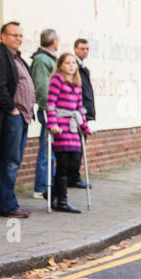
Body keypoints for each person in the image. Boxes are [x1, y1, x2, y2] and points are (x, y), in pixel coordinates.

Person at [0, 22, 35, 218]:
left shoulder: (17, 58)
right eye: (14, 35)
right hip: (11, 117)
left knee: (14, 161)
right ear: (3, 36)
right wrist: (12, 110)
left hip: (22, 117)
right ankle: (6, 207)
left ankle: (11, 203)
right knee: (9, 162)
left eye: (21, 36)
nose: (18, 39)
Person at [45, 53, 90, 213]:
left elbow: (80, 108)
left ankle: (52, 192)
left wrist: (84, 127)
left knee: (74, 163)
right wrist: (52, 124)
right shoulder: (57, 80)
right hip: (61, 127)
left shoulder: (77, 83)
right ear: (61, 65)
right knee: (63, 165)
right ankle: (62, 202)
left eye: (73, 63)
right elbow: (50, 104)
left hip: (73, 128)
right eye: (68, 63)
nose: (71, 65)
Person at [29, 28, 59, 201]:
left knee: (51, 149)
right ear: (53, 41)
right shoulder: (42, 60)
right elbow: (41, 87)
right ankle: (41, 188)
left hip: (51, 110)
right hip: (48, 110)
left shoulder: (47, 58)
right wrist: (49, 109)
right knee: (46, 149)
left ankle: (50, 185)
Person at [71, 39, 95, 190]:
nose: (85, 51)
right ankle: (73, 177)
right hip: (78, 112)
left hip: (84, 111)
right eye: (82, 48)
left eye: (87, 49)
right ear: (75, 49)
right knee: (76, 147)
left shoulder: (83, 67)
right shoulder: (74, 65)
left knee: (80, 146)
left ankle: (74, 175)